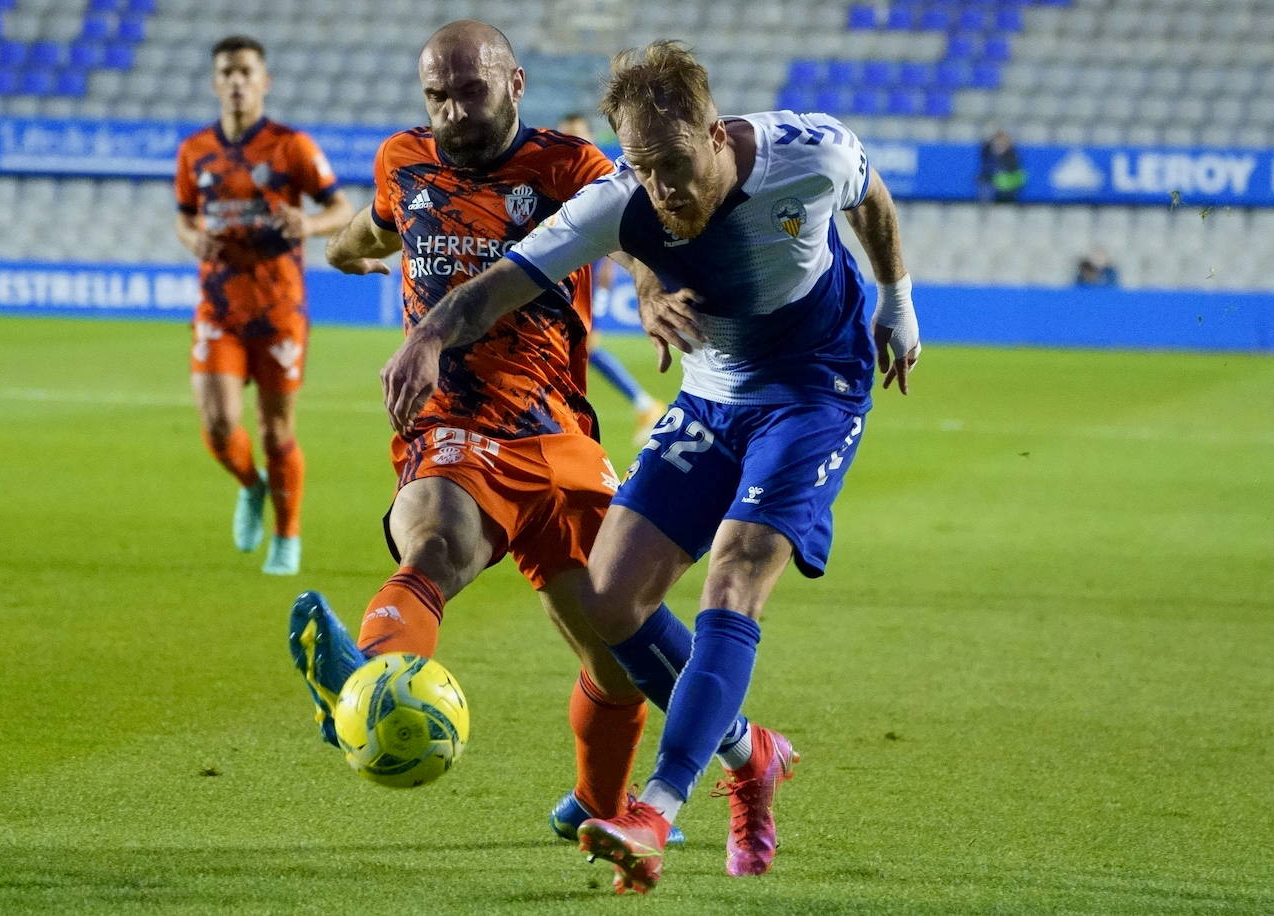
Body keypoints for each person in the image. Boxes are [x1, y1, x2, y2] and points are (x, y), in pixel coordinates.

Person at [379, 41, 920, 894]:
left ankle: (655, 810)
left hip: (816, 388)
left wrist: (897, 304)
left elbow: (874, 199)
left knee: (734, 578)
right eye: (642, 166)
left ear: (712, 133)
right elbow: (499, 285)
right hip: (711, 395)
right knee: (608, 600)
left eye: (673, 163)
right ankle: (751, 752)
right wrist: (428, 336)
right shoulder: (619, 201)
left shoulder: (808, 153)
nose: (662, 186)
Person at [288, 20, 711, 846]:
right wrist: (341, 254)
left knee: (616, 654)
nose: (450, 111)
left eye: (467, 91)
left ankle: (599, 802)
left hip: (558, 429)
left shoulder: (567, 167)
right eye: (435, 96)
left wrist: (656, 290)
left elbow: (637, 235)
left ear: (514, 83)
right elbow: (378, 226)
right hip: (453, 417)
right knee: (437, 549)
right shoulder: (400, 159)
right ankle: (364, 683)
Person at [174, 35, 354, 575]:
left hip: (278, 310)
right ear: (215, 82)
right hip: (219, 309)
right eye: (226, 72)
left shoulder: (291, 146)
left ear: (263, 81)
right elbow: (184, 217)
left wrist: (309, 223)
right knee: (219, 425)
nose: (235, 81)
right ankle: (250, 486)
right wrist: (192, 240)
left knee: (276, 432)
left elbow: (341, 206)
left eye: (246, 72)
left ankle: (287, 534)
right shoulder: (194, 151)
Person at [557, 112, 666, 446]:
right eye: (567, 137)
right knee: (576, 346)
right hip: (569, 273)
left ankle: (645, 405)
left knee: (583, 345)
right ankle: (643, 406)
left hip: (587, 274)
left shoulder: (600, 174)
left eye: (578, 135)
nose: (573, 143)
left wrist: (604, 276)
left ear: (591, 135)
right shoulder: (563, 175)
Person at [977, 127, 1026, 203]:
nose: (1000, 143)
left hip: (1007, 186)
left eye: (1002, 141)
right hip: (991, 183)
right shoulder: (988, 153)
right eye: (997, 141)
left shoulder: (1012, 155)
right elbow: (986, 170)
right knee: (985, 186)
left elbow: (1015, 172)